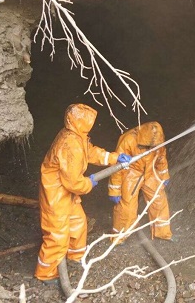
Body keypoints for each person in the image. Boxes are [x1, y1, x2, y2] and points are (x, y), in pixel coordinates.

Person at [34, 104, 131, 285]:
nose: (91, 124)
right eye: (88, 121)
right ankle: (45, 273)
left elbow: (91, 152)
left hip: (66, 194)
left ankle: (75, 257)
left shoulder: (76, 136)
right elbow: (73, 183)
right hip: (56, 194)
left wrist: (114, 157)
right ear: (81, 122)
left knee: (78, 223)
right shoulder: (70, 144)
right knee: (56, 234)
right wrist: (89, 182)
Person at [108, 121, 172, 243]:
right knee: (126, 207)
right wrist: (114, 190)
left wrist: (164, 175)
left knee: (159, 199)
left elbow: (161, 158)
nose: (153, 149)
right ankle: (119, 238)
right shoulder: (129, 140)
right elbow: (117, 167)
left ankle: (163, 233)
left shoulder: (157, 142)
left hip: (150, 172)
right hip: (131, 172)